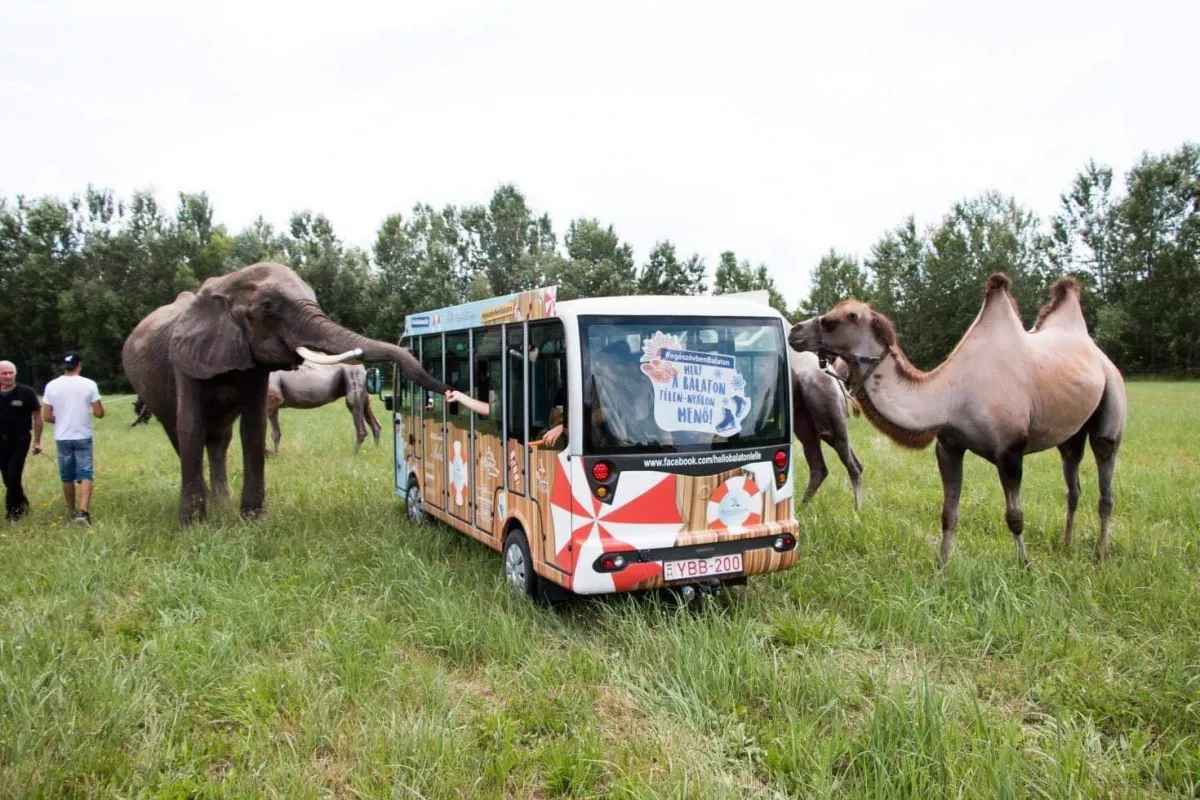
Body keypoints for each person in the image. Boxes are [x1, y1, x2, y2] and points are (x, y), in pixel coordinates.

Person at [42, 351, 104, 524]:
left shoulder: (51, 385)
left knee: (67, 476)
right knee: (85, 473)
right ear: (79, 365)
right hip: (83, 434)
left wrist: (61, 419)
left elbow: (47, 416)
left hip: (62, 436)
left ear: (64, 366)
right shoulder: (89, 384)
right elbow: (99, 413)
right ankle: (83, 512)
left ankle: (71, 511)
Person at [0, 360, 44, 522]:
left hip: (20, 440)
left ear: (15, 374)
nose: (8, 376)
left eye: (11, 373)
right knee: (7, 478)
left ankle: (13, 513)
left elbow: (37, 416)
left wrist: (38, 442)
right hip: (0, 442)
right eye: (4, 373)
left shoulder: (26, 392)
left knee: (13, 475)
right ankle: (23, 503)